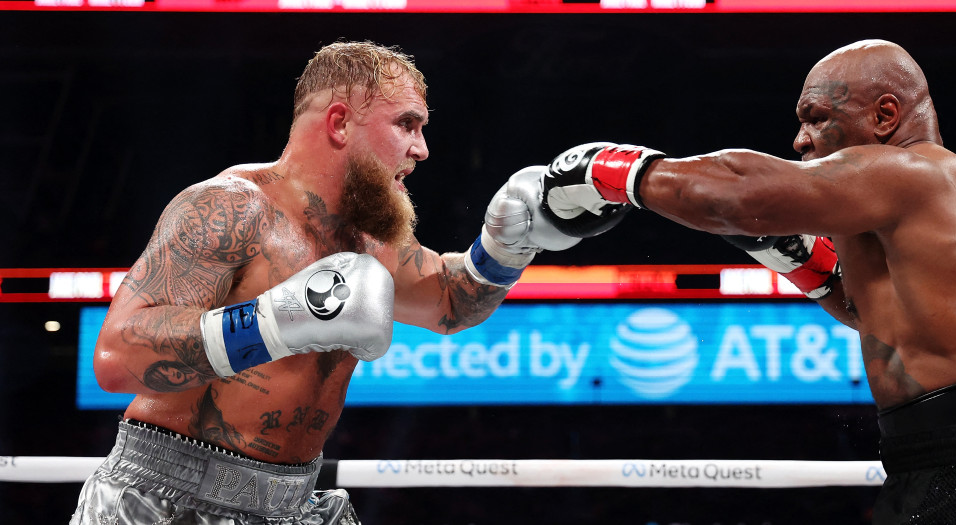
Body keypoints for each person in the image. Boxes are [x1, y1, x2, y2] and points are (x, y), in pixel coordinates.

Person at [538, 40, 956, 524]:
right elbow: (888, 316)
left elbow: (738, 195)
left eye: (816, 118)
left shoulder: (907, 173)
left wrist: (611, 169)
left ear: (885, 117)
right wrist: (803, 265)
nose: (801, 141)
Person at [71, 41, 619, 525]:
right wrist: (273, 322)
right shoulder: (229, 207)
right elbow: (117, 358)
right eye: (407, 124)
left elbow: (450, 304)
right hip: (166, 499)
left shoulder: (373, 238)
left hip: (292, 503)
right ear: (339, 123)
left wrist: (505, 248)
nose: (422, 149)